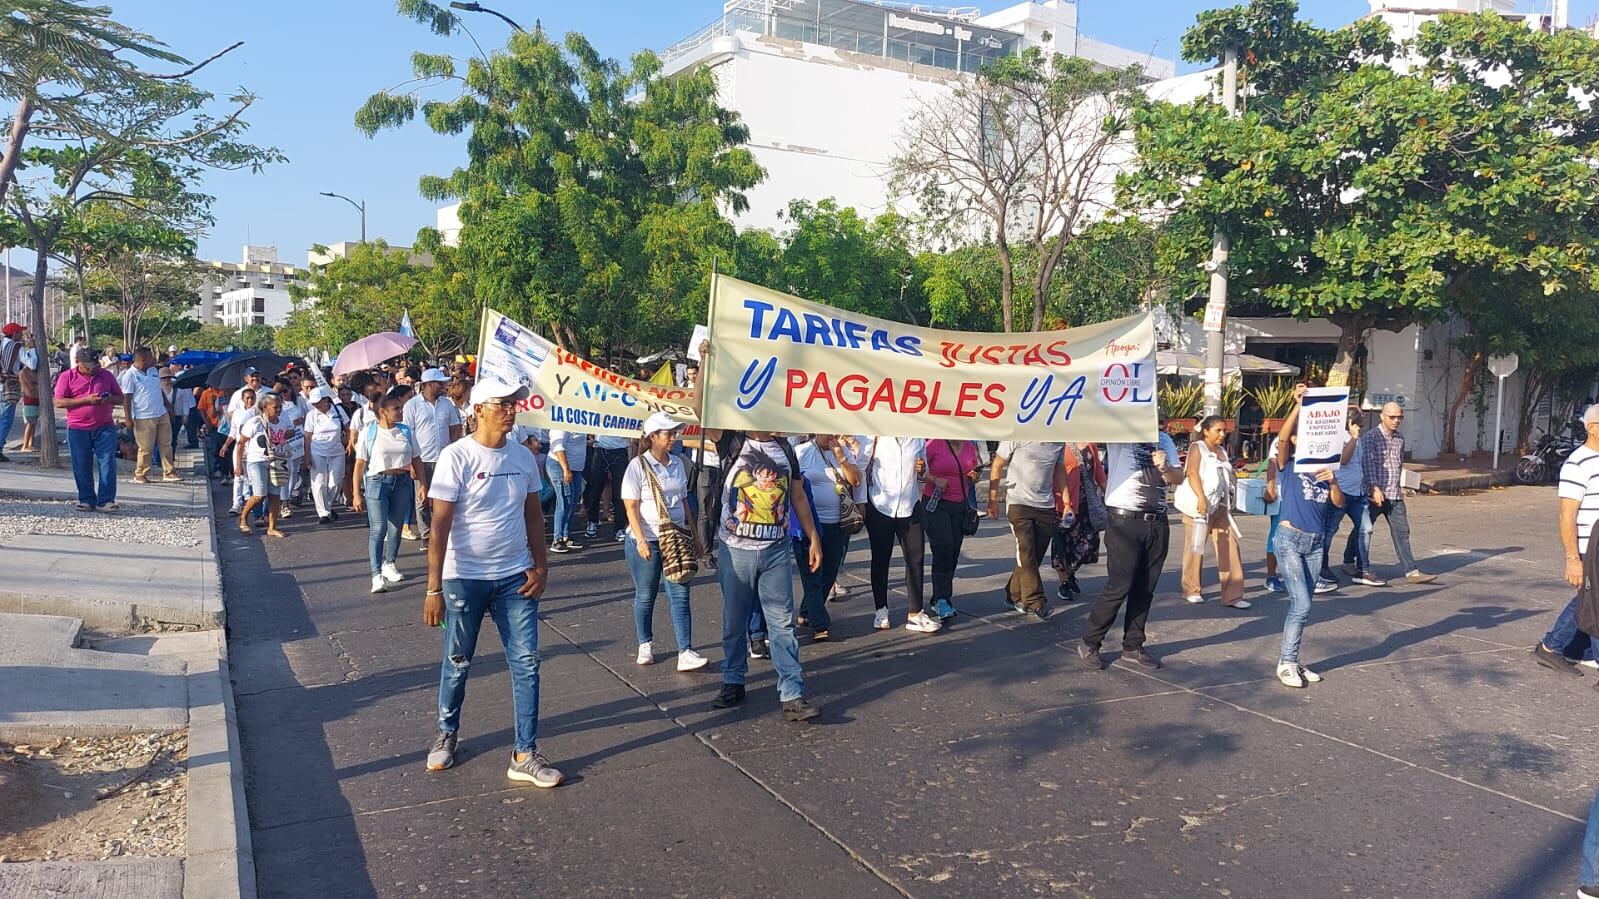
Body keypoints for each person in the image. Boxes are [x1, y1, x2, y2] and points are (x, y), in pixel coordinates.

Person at [422, 378, 562, 788]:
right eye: (502, 404)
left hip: (514, 579)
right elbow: (439, 526)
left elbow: (534, 516)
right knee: (459, 661)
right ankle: (447, 734)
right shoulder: (456, 457)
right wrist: (434, 589)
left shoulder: (522, 456)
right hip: (464, 579)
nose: (511, 411)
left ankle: (525, 753)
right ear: (478, 409)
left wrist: (541, 566)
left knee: (527, 663)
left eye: (514, 404)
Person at [704, 425, 823, 721]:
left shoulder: (785, 449)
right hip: (736, 551)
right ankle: (733, 680)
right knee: (734, 620)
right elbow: (701, 408)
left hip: (775, 551)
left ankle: (792, 693)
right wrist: (705, 375)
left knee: (782, 624)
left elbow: (797, 497)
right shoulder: (731, 440)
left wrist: (813, 537)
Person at [1079, 430, 1183, 671]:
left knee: (1145, 587)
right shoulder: (1121, 437)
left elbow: (1179, 477)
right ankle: (1091, 642)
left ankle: (1133, 646)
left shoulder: (1164, 440)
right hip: (1125, 520)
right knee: (1119, 585)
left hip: (1157, 522)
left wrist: (1165, 467)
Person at [620, 413, 709, 671]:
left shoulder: (678, 464)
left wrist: (695, 535)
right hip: (647, 538)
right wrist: (640, 540)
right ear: (653, 437)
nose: (673, 437)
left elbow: (684, 501)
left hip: (677, 538)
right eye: (668, 433)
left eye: (674, 433)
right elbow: (631, 507)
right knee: (646, 594)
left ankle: (685, 651)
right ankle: (645, 644)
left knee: (680, 594)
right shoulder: (637, 466)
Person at [1271, 399, 1345, 688]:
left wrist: (1335, 482)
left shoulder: (1325, 471)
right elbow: (1281, 438)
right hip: (1289, 539)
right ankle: (1286, 662)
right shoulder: (1288, 464)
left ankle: (1292, 659)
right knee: (1300, 604)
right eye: (1302, 437)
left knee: (1306, 604)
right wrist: (1299, 406)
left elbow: (1338, 503)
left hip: (1315, 542)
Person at [1531, 402, 1599, 678]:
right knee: (1589, 599)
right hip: (1588, 547)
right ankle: (1550, 647)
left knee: (1588, 600)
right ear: (1593, 428)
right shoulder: (1577, 463)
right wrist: (1572, 559)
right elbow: (1566, 515)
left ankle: (1562, 647)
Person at [352, 389, 430, 594]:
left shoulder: (405, 431)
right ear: (383, 412)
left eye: (401, 408)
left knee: (396, 528)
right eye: (396, 409)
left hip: (402, 482)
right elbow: (360, 464)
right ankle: (376, 575)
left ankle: (390, 563)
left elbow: (416, 459)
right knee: (379, 529)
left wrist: (423, 484)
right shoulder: (369, 432)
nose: (401, 411)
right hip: (377, 482)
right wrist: (356, 493)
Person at [794, 433, 863, 641]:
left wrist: (841, 457)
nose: (832, 436)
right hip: (811, 523)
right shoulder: (802, 452)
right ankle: (819, 623)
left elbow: (856, 480)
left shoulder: (841, 453)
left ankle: (807, 612)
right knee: (812, 572)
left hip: (837, 523)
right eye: (828, 432)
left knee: (829, 571)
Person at [1360, 401, 1436, 584]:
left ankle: (1411, 571)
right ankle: (1351, 562)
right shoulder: (1371, 437)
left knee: (1402, 532)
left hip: (1394, 494)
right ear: (1382, 416)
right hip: (1374, 494)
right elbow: (1367, 464)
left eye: (1399, 417)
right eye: (1392, 417)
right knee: (1363, 531)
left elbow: (1398, 465)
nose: (1396, 421)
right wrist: (1374, 488)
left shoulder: (1400, 439)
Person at [989, 440, 1067, 620]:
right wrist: (993, 500)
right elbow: (998, 464)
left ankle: (1013, 592)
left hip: (1045, 504)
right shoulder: (1018, 433)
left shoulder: (1058, 440)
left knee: (1035, 554)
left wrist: (1067, 502)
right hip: (1018, 502)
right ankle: (1035, 601)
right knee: (1026, 549)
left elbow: (1060, 470)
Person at [1179, 416, 1249, 609]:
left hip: (1220, 506)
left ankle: (1233, 595)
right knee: (1195, 547)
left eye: (1223, 431)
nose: (1221, 434)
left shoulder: (1222, 451)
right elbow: (1192, 473)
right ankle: (1191, 589)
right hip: (1199, 506)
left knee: (1230, 547)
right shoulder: (1197, 447)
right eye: (1217, 430)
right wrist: (1201, 497)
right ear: (1206, 431)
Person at [862, 436, 930, 632]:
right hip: (880, 504)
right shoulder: (875, 436)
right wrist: (860, 502)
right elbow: (860, 465)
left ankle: (915, 613)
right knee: (881, 559)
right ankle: (881, 610)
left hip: (909, 504)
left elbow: (923, 471)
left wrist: (922, 470)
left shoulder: (917, 437)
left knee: (916, 558)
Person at [54, 347, 123, 512]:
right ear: (78, 362)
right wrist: (86, 401)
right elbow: (59, 402)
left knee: (107, 462)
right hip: (78, 428)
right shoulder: (67, 377)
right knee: (81, 463)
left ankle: (106, 500)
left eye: (94, 365)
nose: (92, 369)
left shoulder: (106, 375)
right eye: (88, 366)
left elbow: (120, 398)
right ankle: (86, 499)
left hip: (104, 426)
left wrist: (108, 399)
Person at [402, 369, 464, 542]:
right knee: (422, 498)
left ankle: (442, 533)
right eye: (439, 383)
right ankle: (427, 536)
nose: (443, 386)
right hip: (421, 459)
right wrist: (411, 463)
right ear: (428, 384)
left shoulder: (447, 404)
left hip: (443, 459)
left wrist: (453, 451)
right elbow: (407, 434)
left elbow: (455, 427)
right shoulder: (412, 405)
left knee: (444, 498)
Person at [923, 437, 981, 622]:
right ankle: (942, 599)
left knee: (954, 551)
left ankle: (940, 596)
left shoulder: (969, 447)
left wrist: (975, 476)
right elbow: (918, 471)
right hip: (936, 503)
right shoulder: (934, 444)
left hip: (960, 506)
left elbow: (974, 472)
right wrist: (934, 479)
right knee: (943, 548)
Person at [1328, 410, 1385, 587]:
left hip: (1358, 494)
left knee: (1365, 529)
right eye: (1359, 416)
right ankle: (1321, 568)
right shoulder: (1340, 438)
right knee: (1329, 531)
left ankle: (1363, 570)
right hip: (1341, 493)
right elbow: (1343, 460)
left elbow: (1359, 465)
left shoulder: (1359, 438)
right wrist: (1353, 437)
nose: (1364, 417)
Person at [1053, 442, 1106, 602]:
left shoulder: (1091, 445)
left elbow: (1098, 472)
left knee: (1088, 542)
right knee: (1062, 543)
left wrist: (1107, 491)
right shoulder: (1060, 444)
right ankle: (1064, 582)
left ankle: (1070, 573)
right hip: (1064, 502)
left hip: (1087, 502)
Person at [120, 347, 180, 484]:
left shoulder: (154, 371)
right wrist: (128, 418)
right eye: (150, 357)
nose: (153, 359)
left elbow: (159, 390)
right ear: (142, 359)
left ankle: (169, 472)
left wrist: (168, 406)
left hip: (161, 413)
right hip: (143, 416)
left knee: (166, 444)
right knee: (146, 447)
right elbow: (127, 398)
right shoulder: (130, 375)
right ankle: (140, 473)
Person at [234, 393, 290, 538]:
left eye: (279, 407)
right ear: (265, 407)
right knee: (259, 494)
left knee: (275, 495)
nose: (278, 410)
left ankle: (272, 527)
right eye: (275, 407)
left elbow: (283, 438)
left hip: (276, 460)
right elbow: (240, 444)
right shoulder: (255, 422)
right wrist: (239, 465)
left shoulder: (282, 422)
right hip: (257, 460)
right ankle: (243, 518)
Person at [304, 387, 349, 524]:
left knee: (335, 482)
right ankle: (324, 513)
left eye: (318, 402)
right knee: (319, 483)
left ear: (325, 400)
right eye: (314, 403)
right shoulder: (311, 415)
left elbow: (348, 428)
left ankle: (327, 507)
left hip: (337, 451)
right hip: (317, 451)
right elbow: (307, 437)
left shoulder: (338, 411)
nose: (316, 405)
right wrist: (307, 457)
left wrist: (350, 444)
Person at [545, 429, 588, 553]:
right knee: (564, 501)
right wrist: (566, 469)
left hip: (576, 467)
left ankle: (566, 535)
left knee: (573, 501)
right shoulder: (562, 422)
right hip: (560, 465)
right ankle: (557, 539)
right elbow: (557, 446)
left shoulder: (581, 421)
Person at [585, 432, 632, 542]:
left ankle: (620, 527)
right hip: (600, 449)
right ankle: (592, 521)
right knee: (595, 488)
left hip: (620, 450)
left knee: (620, 492)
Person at [0, 322, 26, 459]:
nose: (22, 335)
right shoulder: (17, 347)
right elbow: (31, 363)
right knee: (5, 420)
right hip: (9, 387)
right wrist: (33, 350)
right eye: (20, 332)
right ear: (15, 334)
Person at [18, 331, 38, 454]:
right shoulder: (24, 373)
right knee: (30, 423)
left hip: (36, 398)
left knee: (34, 423)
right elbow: (30, 388)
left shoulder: (33, 373)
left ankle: (30, 443)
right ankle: (24, 445)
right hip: (29, 399)